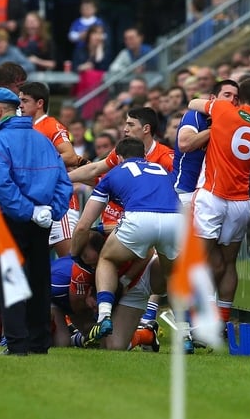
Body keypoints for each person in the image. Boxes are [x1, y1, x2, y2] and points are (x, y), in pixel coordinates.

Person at [0, 87, 72, 356]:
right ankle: (39, 342)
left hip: (10, 220)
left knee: (12, 281)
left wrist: (28, 211)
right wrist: (49, 212)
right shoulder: (43, 141)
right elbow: (63, 181)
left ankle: (17, 344)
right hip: (40, 222)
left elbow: (0, 184)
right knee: (39, 281)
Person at [70, 137, 180, 346]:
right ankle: (184, 335)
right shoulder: (162, 170)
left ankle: (104, 316)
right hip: (175, 219)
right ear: (144, 156)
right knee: (173, 274)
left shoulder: (114, 174)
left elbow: (84, 225)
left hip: (139, 222)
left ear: (118, 158)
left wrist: (74, 256)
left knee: (107, 259)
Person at [186, 78, 250, 327]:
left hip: (212, 195)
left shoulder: (223, 110)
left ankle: (193, 324)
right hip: (240, 201)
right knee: (228, 263)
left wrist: (217, 103)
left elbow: (193, 103)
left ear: (238, 97)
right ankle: (222, 322)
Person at [18, 82, 84, 258]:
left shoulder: (50, 125)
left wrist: (36, 165)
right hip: (37, 205)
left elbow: (70, 156)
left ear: (40, 103)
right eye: (19, 100)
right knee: (33, 267)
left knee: (70, 263)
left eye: (25, 100)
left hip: (60, 205)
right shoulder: (25, 128)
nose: (20, 105)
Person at [173, 79, 239, 205]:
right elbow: (184, 144)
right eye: (227, 95)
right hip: (185, 190)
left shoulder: (237, 125)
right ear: (213, 98)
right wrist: (217, 128)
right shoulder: (195, 116)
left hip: (216, 194)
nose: (232, 100)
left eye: (236, 97)